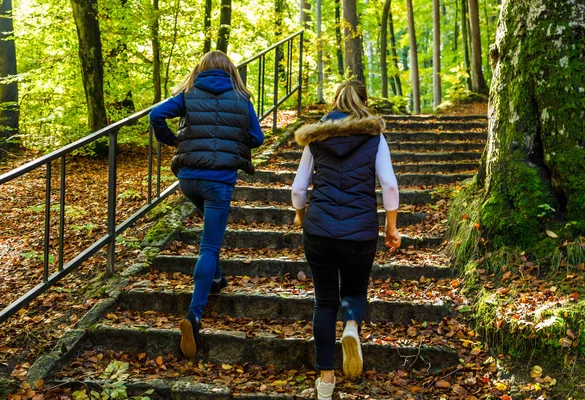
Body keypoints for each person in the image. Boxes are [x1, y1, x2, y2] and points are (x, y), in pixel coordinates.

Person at [149, 50, 264, 360]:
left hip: (188, 179)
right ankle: (194, 316)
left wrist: (172, 139)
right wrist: (234, 137)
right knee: (209, 247)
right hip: (219, 181)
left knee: (210, 242)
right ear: (231, 72)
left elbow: (155, 115)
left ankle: (217, 278)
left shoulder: (188, 93)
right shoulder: (241, 98)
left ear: (200, 69)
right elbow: (257, 137)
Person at [291, 80, 401, 400]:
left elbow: (299, 189)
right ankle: (351, 327)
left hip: (319, 230)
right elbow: (390, 186)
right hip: (361, 231)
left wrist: (300, 215)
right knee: (354, 288)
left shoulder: (317, 136)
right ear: (364, 103)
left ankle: (326, 381)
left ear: (335, 102)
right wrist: (391, 227)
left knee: (325, 302)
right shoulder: (373, 136)